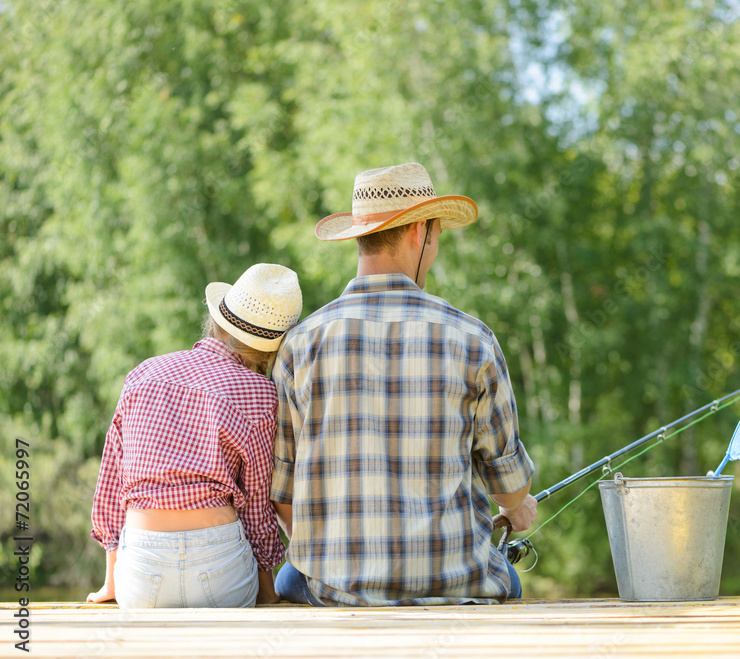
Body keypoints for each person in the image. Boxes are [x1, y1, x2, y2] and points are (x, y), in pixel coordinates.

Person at [270, 163, 537, 606]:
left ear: (360, 236)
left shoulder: (301, 345)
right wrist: (514, 507)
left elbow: (284, 495)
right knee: (511, 577)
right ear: (420, 233)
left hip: (335, 590)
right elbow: (510, 490)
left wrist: (340, 561)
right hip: (457, 584)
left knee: (289, 579)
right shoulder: (473, 340)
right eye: (436, 234)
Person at [88, 263, 303, 608]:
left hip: (141, 576)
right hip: (221, 570)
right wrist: (265, 589)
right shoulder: (262, 394)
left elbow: (111, 486)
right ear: (270, 349)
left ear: (217, 321)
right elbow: (258, 505)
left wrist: (111, 582)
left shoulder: (143, 374)